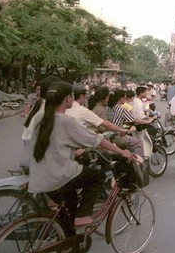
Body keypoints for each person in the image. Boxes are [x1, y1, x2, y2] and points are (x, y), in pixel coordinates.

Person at [28, 82, 133, 231]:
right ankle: (83, 217)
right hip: (59, 175)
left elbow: (52, 145)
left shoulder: (41, 119)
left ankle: (67, 241)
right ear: (68, 99)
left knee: (68, 212)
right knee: (97, 177)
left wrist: (75, 151)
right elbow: (97, 139)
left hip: (40, 175)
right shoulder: (66, 121)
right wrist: (122, 152)